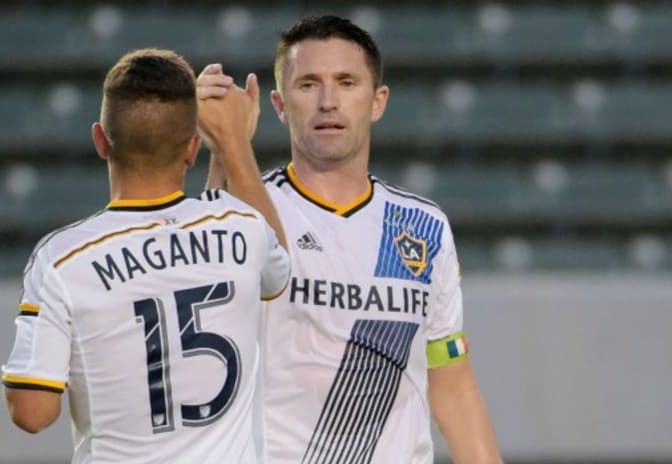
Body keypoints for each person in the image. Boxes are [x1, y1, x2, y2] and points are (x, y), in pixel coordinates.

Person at [197, 15, 502, 464]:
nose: (328, 101)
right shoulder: (248, 208)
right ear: (280, 106)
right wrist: (225, 148)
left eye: (346, 82)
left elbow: (452, 383)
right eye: (308, 85)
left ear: (377, 101)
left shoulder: (423, 227)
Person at [1, 48, 290, 464]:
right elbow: (273, 266)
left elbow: (32, 412)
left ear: (100, 140)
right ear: (191, 149)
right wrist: (232, 142)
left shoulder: (62, 261)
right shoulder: (242, 229)